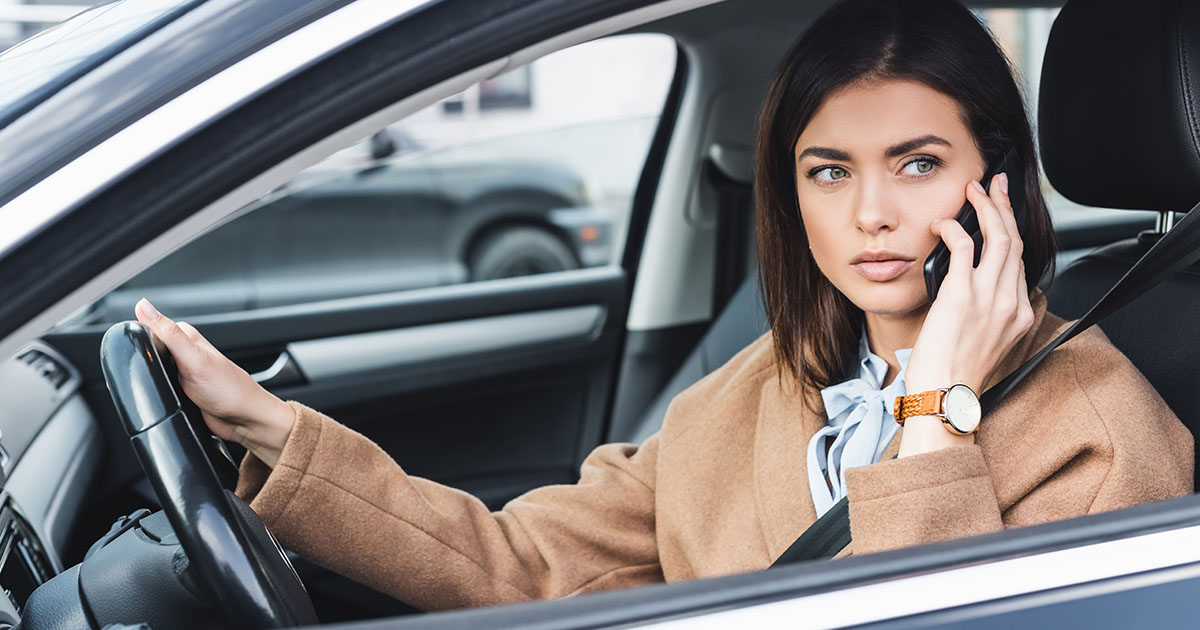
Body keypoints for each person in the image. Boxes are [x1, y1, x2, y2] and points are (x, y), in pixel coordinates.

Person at [133, 0, 1192, 613]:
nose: (869, 213)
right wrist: (273, 430)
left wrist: (940, 409)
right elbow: (524, 564)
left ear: (994, 183)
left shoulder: (1102, 436)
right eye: (828, 171)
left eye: (916, 163)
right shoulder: (754, 391)